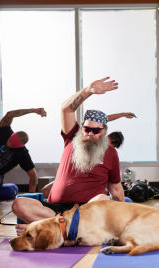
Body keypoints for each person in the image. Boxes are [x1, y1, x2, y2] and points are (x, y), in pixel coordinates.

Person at [12, 77, 125, 235]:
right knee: (19, 204)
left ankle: (49, 230)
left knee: (103, 201)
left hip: (84, 211)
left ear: (104, 131)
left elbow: (115, 187)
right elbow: (66, 109)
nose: (90, 134)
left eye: (96, 131)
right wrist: (88, 91)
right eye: (87, 129)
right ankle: (63, 231)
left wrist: (121, 217)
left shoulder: (111, 153)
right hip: (54, 210)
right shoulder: (71, 138)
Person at [0, 108, 46, 200]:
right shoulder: (4, 131)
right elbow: (10, 114)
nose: (8, 144)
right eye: (10, 140)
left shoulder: (22, 153)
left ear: (19, 146)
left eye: (12, 144)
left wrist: (31, 197)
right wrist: (34, 110)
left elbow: (33, 175)